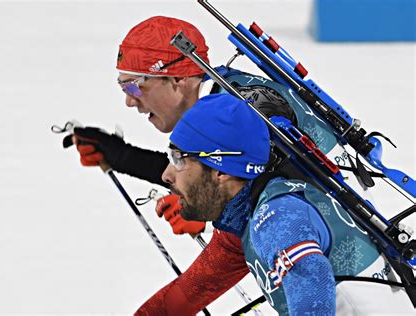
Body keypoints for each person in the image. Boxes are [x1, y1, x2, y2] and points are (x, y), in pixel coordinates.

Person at [64, 16, 377, 314]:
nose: (129, 101)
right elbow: (212, 172)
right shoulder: (226, 96)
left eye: (134, 86)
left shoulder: (241, 121)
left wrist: (203, 207)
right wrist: (124, 158)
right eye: (123, 88)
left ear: (178, 78)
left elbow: (247, 219)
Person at [161, 93, 415, 315]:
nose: (166, 175)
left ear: (221, 170)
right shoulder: (265, 207)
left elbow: (312, 277)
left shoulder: (274, 217)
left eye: (179, 159)